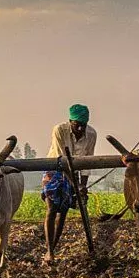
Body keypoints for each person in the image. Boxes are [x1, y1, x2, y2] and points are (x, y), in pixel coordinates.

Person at [42, 103, 98, 263]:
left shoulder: (92, 134)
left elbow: (88, 161)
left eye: (83, 125)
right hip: (55, 168)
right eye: (77, 125)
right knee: (52, 208)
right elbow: (62, 161)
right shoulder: (59, 130)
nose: (80, 129)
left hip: (75, 173)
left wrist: (83, 186)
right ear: (70, 121)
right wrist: (76, 185)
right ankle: (49, 251)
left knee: (64, 210)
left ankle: (53, 246)